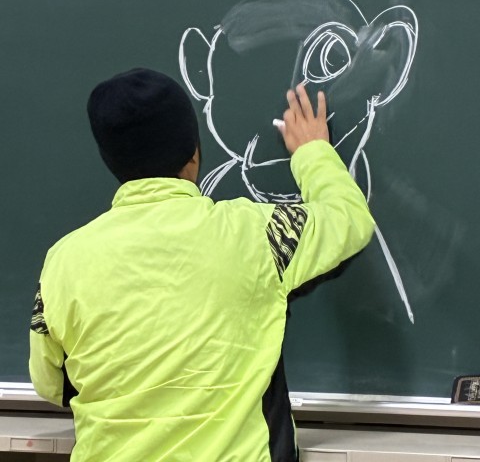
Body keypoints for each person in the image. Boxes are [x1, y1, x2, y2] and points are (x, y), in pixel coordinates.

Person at [29, 68, 374, 462]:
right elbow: (349, 220)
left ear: (111, 161)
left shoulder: (62, 263)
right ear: (193, 153)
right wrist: (313, 151)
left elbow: (50, 383)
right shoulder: (258, 235)